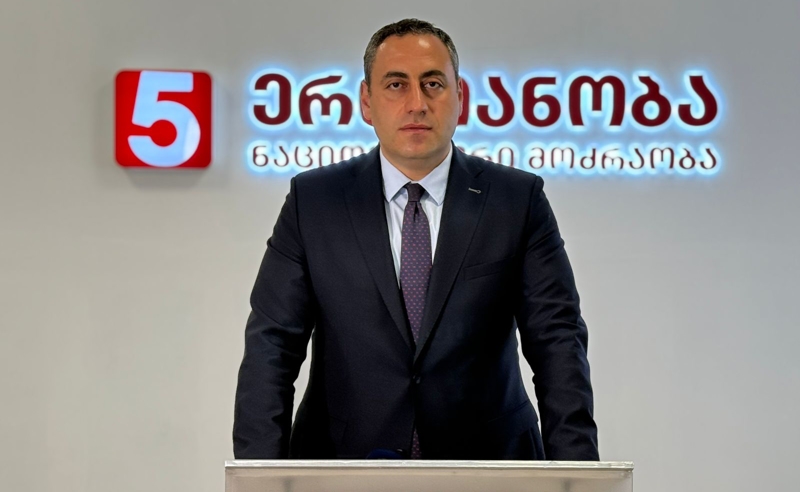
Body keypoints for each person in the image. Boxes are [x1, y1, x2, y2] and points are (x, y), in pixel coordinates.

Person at [233, 18, 598, 461]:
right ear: (366, 101)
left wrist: (577, 476)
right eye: (396, 85)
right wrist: (258, 475)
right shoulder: (313, 202)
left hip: (490, 463)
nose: (417, 104)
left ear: (460, 97)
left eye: (432, 84)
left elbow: (557, 341)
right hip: (343, 461)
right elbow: (272, 344)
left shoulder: (517, 200)